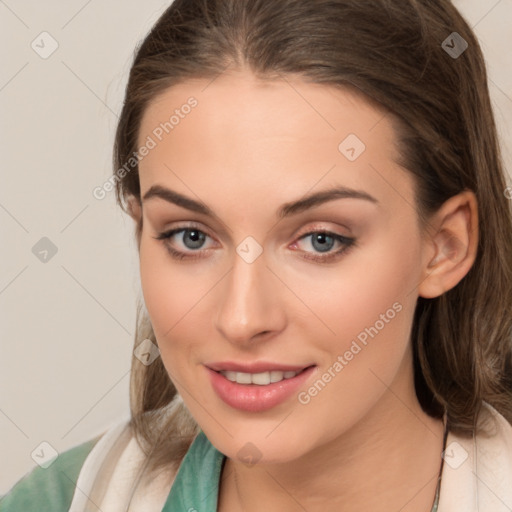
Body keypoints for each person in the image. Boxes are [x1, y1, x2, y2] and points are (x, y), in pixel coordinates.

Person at [2, 0, 512, 510]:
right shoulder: (55, 500)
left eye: (321, 240)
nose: (242, 319)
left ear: (445, 246)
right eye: (191, 237)